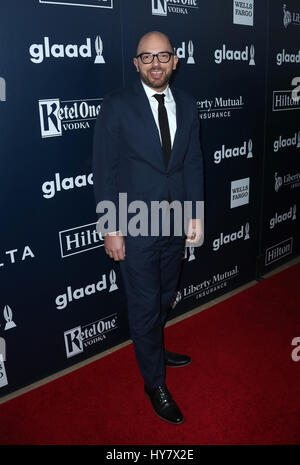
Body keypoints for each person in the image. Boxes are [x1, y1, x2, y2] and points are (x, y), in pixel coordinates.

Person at [93, 31, 204, 424]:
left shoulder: (188, 106)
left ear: (175, 61)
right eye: (147, 57)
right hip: (134, 222)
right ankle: (153, 381)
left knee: (163, 296)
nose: (155, 63)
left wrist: (195, 214)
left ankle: (153, 347)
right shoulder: (117, 105)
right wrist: (111, 227)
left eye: (163, 56)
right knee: (143, 304)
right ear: (135, 63)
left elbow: (192, 163)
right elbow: (105, 170)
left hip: (174, 221)